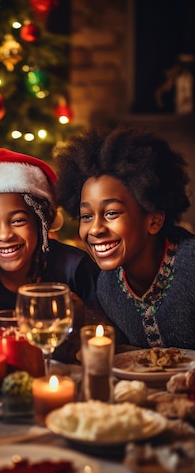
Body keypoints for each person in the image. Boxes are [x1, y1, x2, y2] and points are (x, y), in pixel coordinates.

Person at [53, 125, 195, 348]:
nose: (95, 229)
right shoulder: (108, 286)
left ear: (154, 220)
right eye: (86, 216)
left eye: (111, 213)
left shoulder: (191, 265)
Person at [0, 148, 102, 360]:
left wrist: (83, 315)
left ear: (40, 222)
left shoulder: (75, 267)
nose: (4, 235)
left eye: (17, 221)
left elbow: (109, 335)